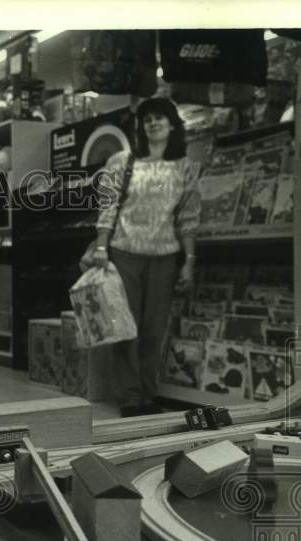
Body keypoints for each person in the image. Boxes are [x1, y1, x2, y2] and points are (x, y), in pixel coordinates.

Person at [91, 96, 201, 418]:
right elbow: (108, 206)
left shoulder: (185, 168)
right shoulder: (120, 162)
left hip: (165, 257)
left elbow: (189, 218)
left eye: (160, 118)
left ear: (172, 125)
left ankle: (148, 394)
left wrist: (189, 261)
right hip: (124, 253)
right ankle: (128, 396)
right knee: (126, 327)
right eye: (147, 119)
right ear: (141, 126)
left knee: (154, 330)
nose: (152, 123)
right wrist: (101, 247)